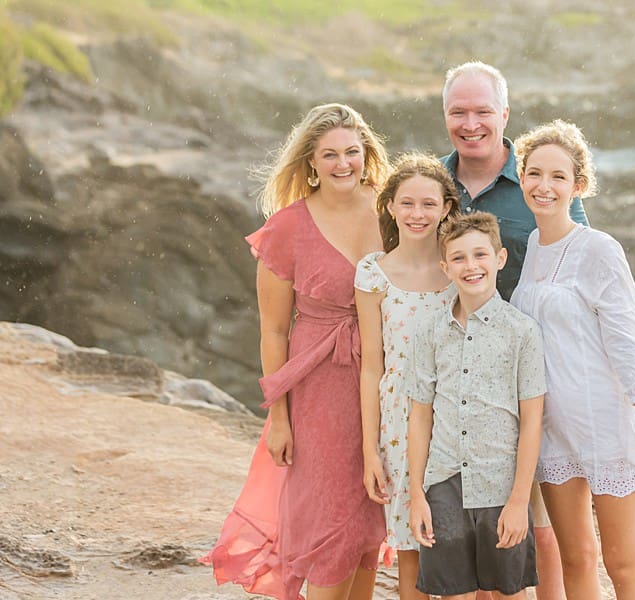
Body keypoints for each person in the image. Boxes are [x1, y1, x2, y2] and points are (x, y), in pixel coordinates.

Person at [202, 103, 390, 600]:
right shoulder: (288, 227)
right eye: (329, 154)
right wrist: (279, 419)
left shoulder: (389, 210)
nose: (343, 163)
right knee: (329, 521)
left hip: (384, 379)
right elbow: (273, 332)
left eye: (352, 151)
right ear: (310, 161)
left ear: (367, 153)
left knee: (369, 521)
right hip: (317, 391)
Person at [510, 120, 635, 599]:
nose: (544, 186)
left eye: (558, 176)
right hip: (553, 427)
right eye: (534, 173)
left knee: (622, 563)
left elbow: (627, 338)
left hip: (605, 421)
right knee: (575, 557)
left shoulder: (599, 249)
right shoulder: (534, 248)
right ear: (521, 179)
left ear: (578, 186)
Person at [440, 61, 582, 598]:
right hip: (453, 375)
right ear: (445, 115)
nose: (471, 123)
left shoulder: (536, 182)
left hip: (530, 375)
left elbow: (578, 264)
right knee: (470, 524)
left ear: (504, 114)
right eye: (459, 112)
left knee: (538, 528)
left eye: (483, 111)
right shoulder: (432, 183)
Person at [407, 212, 546, 599]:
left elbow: (532, 421)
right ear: (445, 267)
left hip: (502, 486)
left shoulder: (523, 332)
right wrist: (417, 494)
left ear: (500, 258)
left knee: (510, 592)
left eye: (480, 255)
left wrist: (520, 501)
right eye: (459, 258)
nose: (471, 266)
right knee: (453, 593)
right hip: (444, 484)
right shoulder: (429, 332)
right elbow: (420, 416)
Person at [355, 153, 460, 600]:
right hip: (398, 422)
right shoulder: (373, 273)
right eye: (408, 203)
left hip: (457, 418)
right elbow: (371, 366)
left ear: (446, 209)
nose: (418, 214)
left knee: (459, 547)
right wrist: (369, 451)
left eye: (429, 204)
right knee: (412, 548)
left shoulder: (461, 268)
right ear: (392, 207)